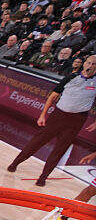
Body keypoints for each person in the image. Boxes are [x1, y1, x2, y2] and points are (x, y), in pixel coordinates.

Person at [7, 55, 96, 186]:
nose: (91, 66)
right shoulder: (71, 77)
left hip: (77, 120)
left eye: (94, 64)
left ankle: (43, 177)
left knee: (60, 149)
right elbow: (53, 96)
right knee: (37, 141)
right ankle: (15, 163)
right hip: (59, 116)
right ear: (84, 63)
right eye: (89, 63)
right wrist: (43, 115)